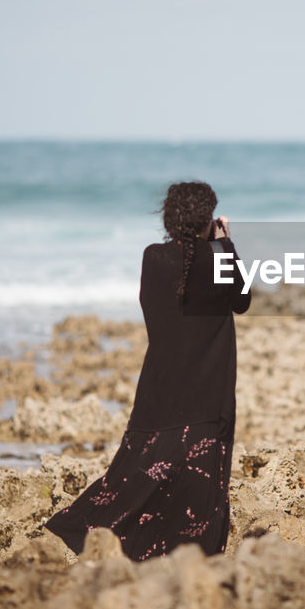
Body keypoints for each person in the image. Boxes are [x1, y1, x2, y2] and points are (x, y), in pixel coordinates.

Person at [44, 181, 251, 559]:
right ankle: (187, 554)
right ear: (208, 220)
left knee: (133, 473)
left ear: (170, 218)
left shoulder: (153, 258)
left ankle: (94, 536)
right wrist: (225, 243)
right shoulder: (218, 257)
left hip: (160, 384)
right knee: (199, 479)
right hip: (210, 389)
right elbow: (242, 300)